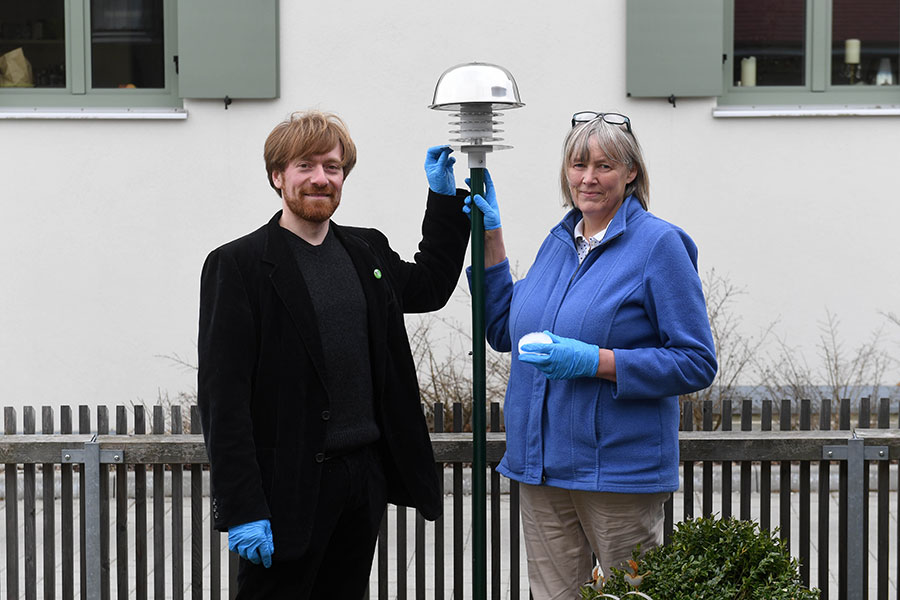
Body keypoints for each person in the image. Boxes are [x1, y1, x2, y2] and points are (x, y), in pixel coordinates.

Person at [198, 110, 470, 599]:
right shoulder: (238, 265)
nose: (321, 179)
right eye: (305, 166)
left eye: (333, 166)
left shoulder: (366, 251)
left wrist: (445, 201)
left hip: (361, 480)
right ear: (277, 176)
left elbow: (429, 287)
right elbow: (225, 398)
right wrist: (242, 507)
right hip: (287, 489)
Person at [464, 111, 717, 598]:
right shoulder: (558, 243)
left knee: (632, 596)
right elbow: (502, 331)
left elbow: (695, 360)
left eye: (604, 166)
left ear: (631, 173)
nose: (588, 178)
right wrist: (491, 236)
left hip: (618, 477)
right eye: (578, 164)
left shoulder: (659, 244)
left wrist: (597, 361)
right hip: (541, 469)